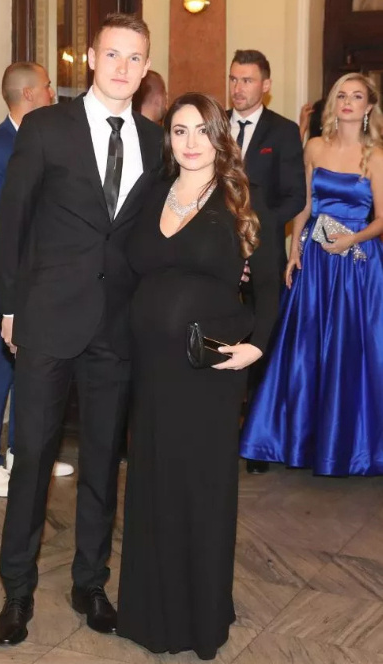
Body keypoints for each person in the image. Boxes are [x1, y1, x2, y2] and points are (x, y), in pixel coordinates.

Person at [0, 13, 163, 646]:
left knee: (101, 463)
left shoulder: (156, 141)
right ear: (90, 58)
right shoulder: (46, 128)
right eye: (112, 54)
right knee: (33, 459)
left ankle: (90, 583)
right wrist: (10, 309)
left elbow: (155, 233)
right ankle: (17, 591)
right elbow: (12, 223)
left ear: (146, 68)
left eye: (135, 58)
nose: (123, 67)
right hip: (46, 320)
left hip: (116, 328)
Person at [117, 93, 280, 661]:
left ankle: (201, 616)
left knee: (200, 490)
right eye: (179, 130)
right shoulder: (151, 192)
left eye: (201, 130)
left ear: (219, 137)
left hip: (207, 372)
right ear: (168, 139)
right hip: (151, 371)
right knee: (153, 484)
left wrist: (256, 347)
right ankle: (149, 613)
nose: (190, 142)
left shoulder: (240, 200)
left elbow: (268, 286)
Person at [240, 73, 383, 477]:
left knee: (352, 351)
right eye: (342, 95)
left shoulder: (376, 156)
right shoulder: (315, 146)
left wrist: (352, 238)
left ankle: (352, 446)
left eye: (357, 96)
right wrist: (294, 252)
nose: (348, 102)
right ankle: (299, 440)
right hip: (316, 262)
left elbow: (381, 219)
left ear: (369, 106)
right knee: (305, 349)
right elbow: (304, 206)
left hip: (357, 265)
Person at [0, 62, 73, 498]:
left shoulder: (45, 140)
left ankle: (21, 454)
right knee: (0, 364)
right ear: (29, 94)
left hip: (42, 274)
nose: (52, 93)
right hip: (3, 274)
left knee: (34, 367)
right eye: (47, 86)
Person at [228, 49, 306, 474]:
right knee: (220, 335)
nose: (238, 88)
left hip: (264, 252)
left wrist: (258, 227)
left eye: (247, 80)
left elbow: (295, 195)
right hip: (215, 252)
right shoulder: (214, 125)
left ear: (266, 85)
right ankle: (220, 431)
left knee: (261, 340)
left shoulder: (284, 131)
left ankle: (256, 441)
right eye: (233, 79)